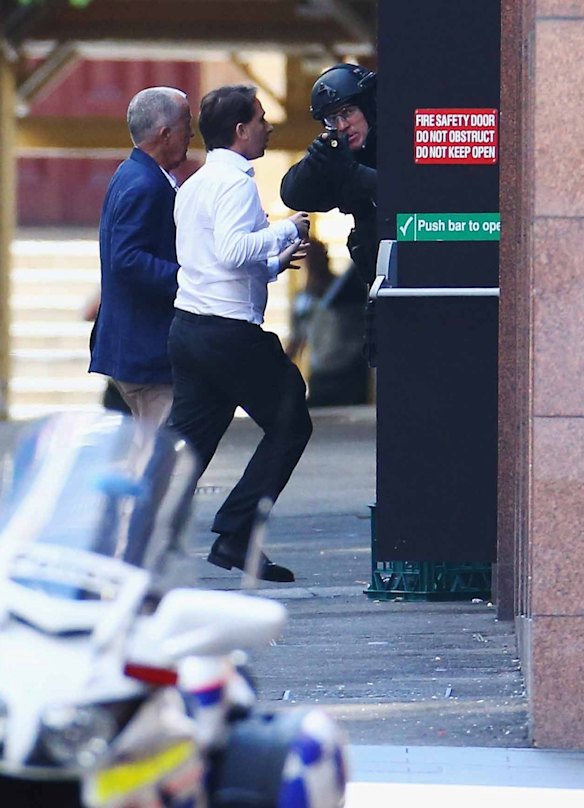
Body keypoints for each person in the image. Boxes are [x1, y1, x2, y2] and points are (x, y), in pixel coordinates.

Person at [168, 84, 312, 583]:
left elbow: (213, 263)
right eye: (260, 118)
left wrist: (272, 264)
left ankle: (135, 534)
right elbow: (231, 252)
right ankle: (235, 534)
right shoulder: (234, 184)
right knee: (292, 418)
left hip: (189, 329)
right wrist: (290, 229)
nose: (268, 126)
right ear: (240, 130)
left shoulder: (192, 186)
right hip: (228, 334)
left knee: (186, 444)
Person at [89, 86, 193, 426]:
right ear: (165, 134)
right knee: (165, 458)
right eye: (186, 125)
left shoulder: (133, 173)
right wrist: (188, 278)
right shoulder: (145, 184)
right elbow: (127, 258)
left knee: (156, 454)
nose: (191, 134)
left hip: (133, 344)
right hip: (144, 348)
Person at [280, 63, 377, 287]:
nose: (342, 125)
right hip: (377, 282)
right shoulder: (343, 157)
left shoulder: (398, 141)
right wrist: (315, 161)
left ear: (367, 107)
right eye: (332, 119)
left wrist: (353, 173)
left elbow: (401, 193)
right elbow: (293, 195)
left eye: (348, 112)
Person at [286, 240, 369, 407]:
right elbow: (296, 340)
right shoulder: (303, 299)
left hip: (349, 372)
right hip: (320, 374)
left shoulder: (347, 293)